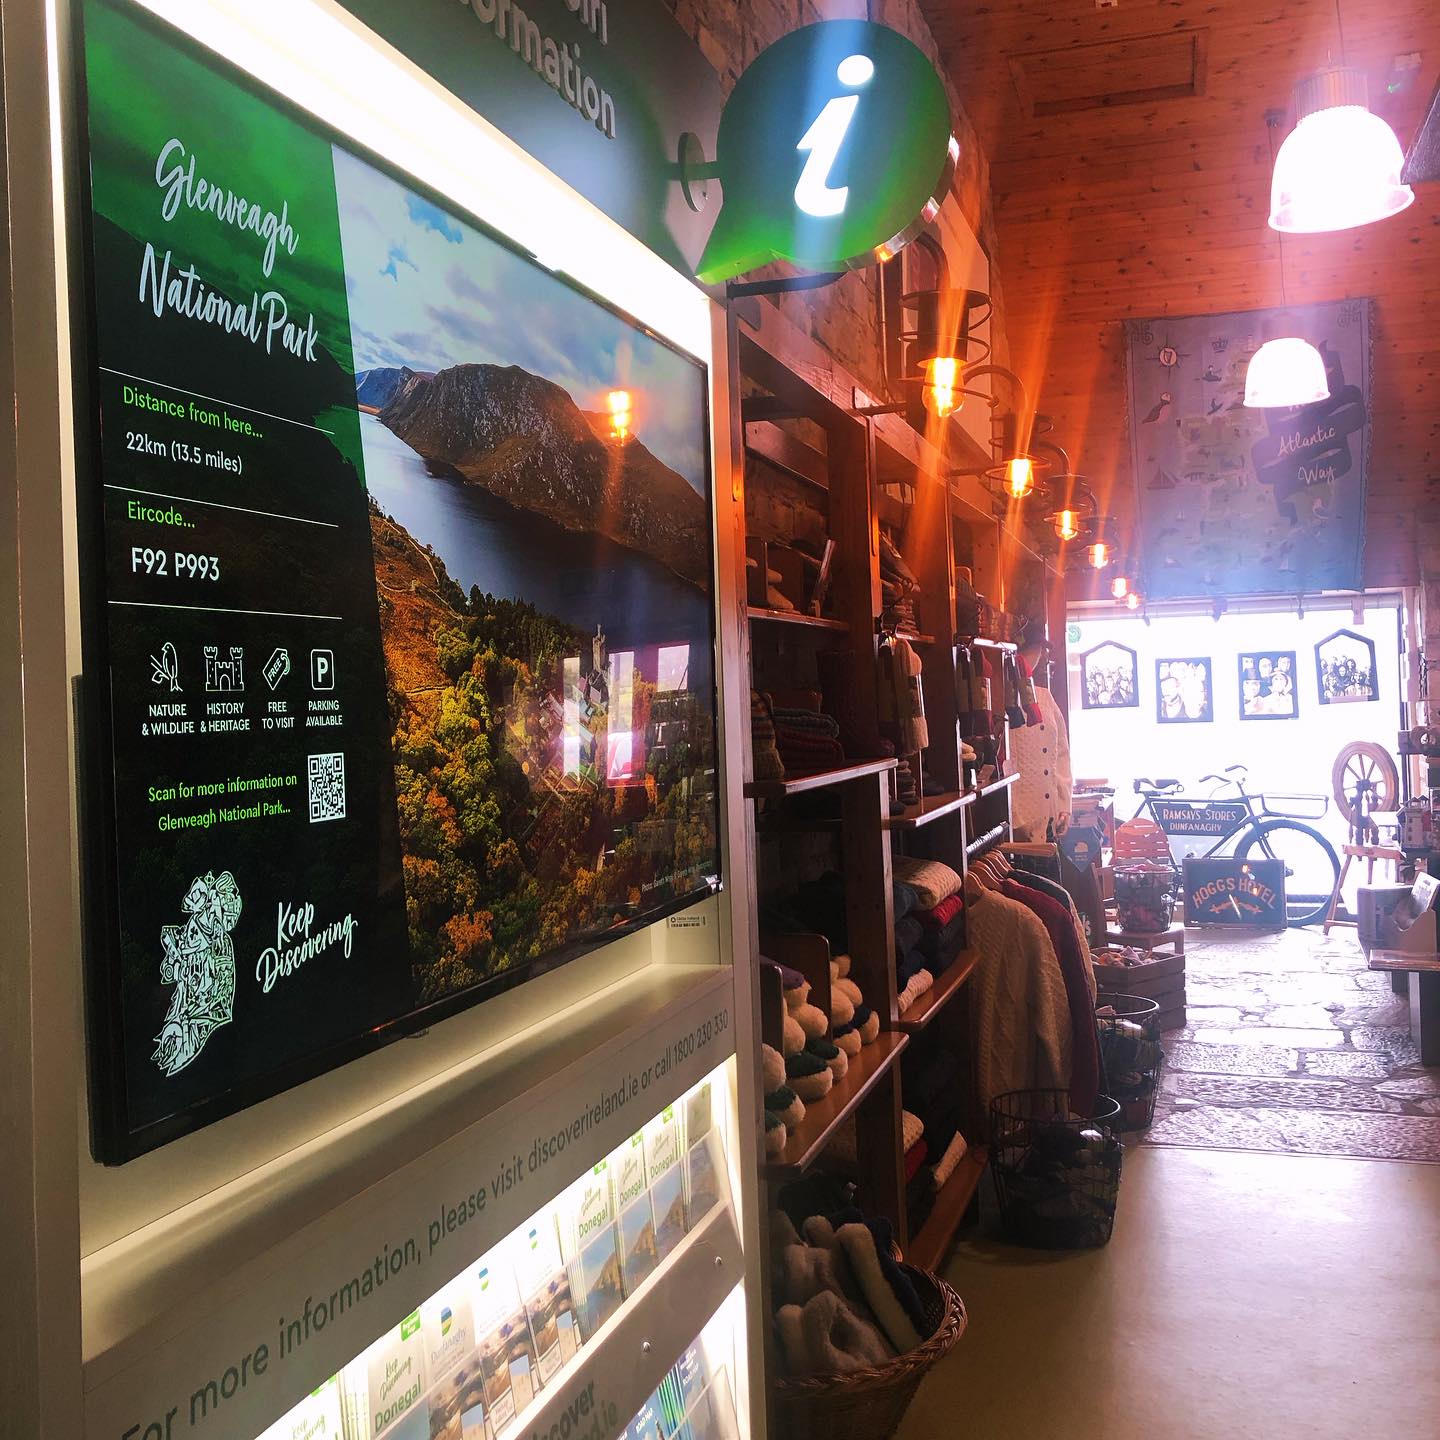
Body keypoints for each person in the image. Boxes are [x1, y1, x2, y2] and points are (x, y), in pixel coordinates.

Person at [1010, 628, 1072, 842]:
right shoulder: (1004, 699)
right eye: (1037, 650)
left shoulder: (1045, 697)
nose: (1040, 656)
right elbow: (1006, 762)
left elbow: (1061, 754)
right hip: (1020, 824)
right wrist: (1015, 818)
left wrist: (1064, 804)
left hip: (1050, 819)